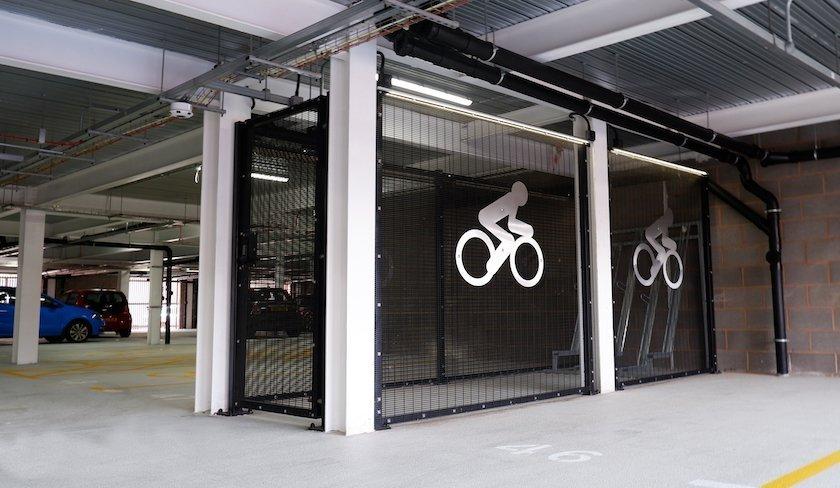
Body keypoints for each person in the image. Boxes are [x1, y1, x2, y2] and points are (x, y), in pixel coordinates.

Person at [477, 181, 533, 273]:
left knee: (509, 239)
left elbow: (511, 224)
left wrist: (526, 230)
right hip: (486, 219)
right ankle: (492, 266)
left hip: (486, 218)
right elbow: (511, 225)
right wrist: (528, 230)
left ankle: (492, 265)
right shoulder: (511, 199)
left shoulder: (511, 198)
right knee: (509, 239)